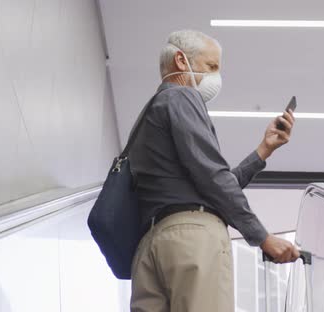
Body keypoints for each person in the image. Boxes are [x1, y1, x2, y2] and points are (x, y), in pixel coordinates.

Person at [129, 30, 300, 312]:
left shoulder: (150, 114)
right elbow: (212, 177)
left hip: (150, 245)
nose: (216, 77)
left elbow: (206, 183)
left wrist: (263, 151)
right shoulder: (182, 96)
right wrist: (262, 237)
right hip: (192, 241)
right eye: (212, 66)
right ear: (182, 62)